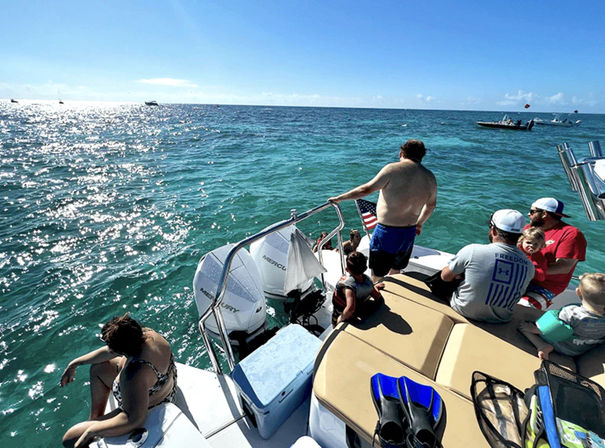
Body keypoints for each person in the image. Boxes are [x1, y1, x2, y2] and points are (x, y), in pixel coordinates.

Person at [328, 139, 437, 282]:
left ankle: (379, 296)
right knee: (396, 269)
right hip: (408, 232)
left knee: (377, 275)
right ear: (422, 156)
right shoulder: (430, 177)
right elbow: (431, 205)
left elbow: (365, 189)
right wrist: (420, 223)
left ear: (401, 153)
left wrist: (340, 198)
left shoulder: (392, 169)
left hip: (387, 232)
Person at [61, 314, 177, 448]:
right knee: (99, 368)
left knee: (70, 438)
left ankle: (95, 426)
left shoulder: (134, 375)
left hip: (151, 406)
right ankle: (95, 419)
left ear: (120, 350)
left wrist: (92, 431)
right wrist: (75, 363)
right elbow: (109, 353)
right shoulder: (146, 334)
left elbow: (134, 419)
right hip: (163, 385)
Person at [440, 209, 535, 323]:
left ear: (494, 230)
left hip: (464, 311)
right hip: (501, 318)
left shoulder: (473, 250)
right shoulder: (529, 266)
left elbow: (445, 277)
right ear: (520, 236)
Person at [519, 273, 605, 360]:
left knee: (525, 328)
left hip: (561, 346)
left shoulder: (571, 313)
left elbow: (552, 329)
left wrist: (535, 329)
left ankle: (542, 346)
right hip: (580, 350)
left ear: (578, 292)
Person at [521, 197, 587, 310]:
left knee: (523, 306)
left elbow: (564, 266)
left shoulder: (571, 234)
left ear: (544, 214)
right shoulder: (529, 229)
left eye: (532, 211)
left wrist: (531, 271)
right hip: (522, 277)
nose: (528, 214)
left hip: (545, 286)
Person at [332, 251, 385, 327]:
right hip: (358, 301)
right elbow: (378, 297)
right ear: (365, 268)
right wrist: (373, 288)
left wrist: (341, 318)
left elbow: (350, 309)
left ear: (347, 269)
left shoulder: (348, 288)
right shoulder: (368, 282)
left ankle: (335, 326)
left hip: (341, 310)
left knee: (336, 321)